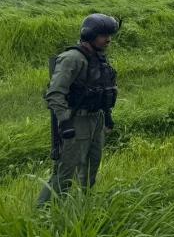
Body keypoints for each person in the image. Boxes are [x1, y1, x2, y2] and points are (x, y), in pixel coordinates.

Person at [38, 13, 119, 205]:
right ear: (90, 35)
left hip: (95, 120)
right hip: (76, 121)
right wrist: (65, 122)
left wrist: (107, 117)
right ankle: (43, 213)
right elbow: (55, 93)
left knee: (91, 169)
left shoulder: (99, 57)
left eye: (110, 35)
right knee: (65, 173)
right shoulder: (72, 58)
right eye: (103, 35)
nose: (108, 39)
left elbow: (103, 89)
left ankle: (84, 206)